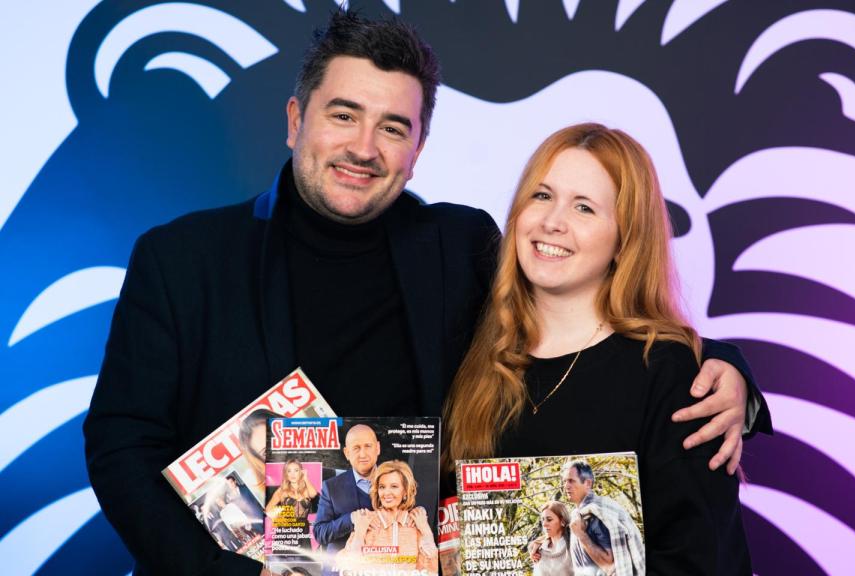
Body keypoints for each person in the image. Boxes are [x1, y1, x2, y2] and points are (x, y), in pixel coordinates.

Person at [83, 10, 767, 576]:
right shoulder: (181, 259)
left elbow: (579, 308)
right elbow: (120, 444)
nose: (363, 147)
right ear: (295, 120)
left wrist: (729, 370)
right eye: (343, 115)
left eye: (393, 127)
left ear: (419, 148)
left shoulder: (460, 246)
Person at [443, 123, 752, 574]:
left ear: (624, 240)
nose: (553, 221)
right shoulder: (477, 354)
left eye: (584, 207)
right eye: (542, 196)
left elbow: (704, 560)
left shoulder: (671, 371)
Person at [335, 460, 438, 573]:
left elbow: (430, 569)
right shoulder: (367, 520)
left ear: (405, 491)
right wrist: (359, 533)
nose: (386, 493)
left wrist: (425, 530)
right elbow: (348, 568)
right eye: (382, 487)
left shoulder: (417, 522)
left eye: (394, 486)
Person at [313, 424, 380, 574]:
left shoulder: (396, 482)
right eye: (356, 448)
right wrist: (350, 519)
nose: (363, 454)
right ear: (347, 453)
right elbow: (319, 533)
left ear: (378, 448)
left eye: (368, 446)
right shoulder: (331, 487)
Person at [562, 461, 643, 575]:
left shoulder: (595, 514)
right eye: (564, 481)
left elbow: (609, 564)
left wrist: (581, 535)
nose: (566, 486)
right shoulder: (578, 515)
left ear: (588, 483)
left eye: (571, 480)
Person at [527, 501, 573, 576]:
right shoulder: (538, 549)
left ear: (562, 521)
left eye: (549, 519)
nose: (544, 524)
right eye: (543, 520)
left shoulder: (573, 546)